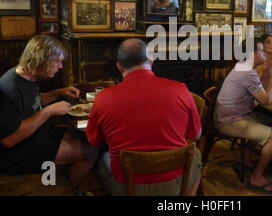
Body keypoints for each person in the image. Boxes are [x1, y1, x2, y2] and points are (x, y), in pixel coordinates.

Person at [86, 39, 202, 196]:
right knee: (196, 156)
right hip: (173, 183)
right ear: (151, 60)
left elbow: (95, 141)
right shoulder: (180, 89)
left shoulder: (102, 98)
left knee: (103, 158)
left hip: (126, 187)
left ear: (119, 66)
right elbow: (195, 135)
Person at [0, 35, 98, 195]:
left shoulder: (27, 76)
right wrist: (49, 111)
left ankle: (69, 185)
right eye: (57, 61)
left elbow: (33, 101)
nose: (60, 66)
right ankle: (70, 190)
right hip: (17, 154)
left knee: (83, 137)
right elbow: (9, 140)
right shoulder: (9, 88)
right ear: (42, 59)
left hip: (38, 137)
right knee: (92, 149)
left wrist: (58, 92)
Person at [214, 39, 272, 193]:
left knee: (267, 121)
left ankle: (244, 159)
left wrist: (266, 73)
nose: (264, 53)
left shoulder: (243, 67)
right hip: (229, 121)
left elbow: (260, 91)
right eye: (261, 50)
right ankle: (257, 177)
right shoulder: (247, 73)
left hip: (229, 115)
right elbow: (266, 100)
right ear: (252, 54)